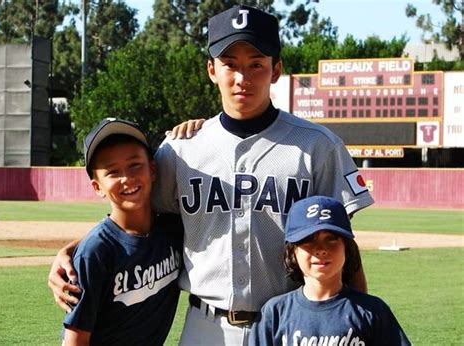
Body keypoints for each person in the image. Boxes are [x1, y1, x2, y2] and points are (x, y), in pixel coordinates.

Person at [49, 5, 374, 345]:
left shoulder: (318, 146)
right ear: (211, 69)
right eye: (229, 64)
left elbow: (342, 245)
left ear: (276, 69)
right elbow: (137, 221)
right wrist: (74, 251)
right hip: (206, 327)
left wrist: (360, 327)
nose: (242, 78)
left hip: (291, 320)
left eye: (256, 65)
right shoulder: (180, 150)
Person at [60, 118, 183, 345]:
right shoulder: (95, 252)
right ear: (97, 187)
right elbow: (75, 340)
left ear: (153, 169)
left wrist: (201, 126)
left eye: (135, 164)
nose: (126, 178)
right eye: (112, 172)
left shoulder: (173, 230)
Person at [249, 196, 411, 345]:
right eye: (307, 240)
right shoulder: (275, 313)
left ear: (347, 248)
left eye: (331, 239)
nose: (320, 249)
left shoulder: (372, 311)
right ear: (293, 252)